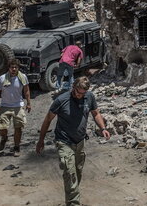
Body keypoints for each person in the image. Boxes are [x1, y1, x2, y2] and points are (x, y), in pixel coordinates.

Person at [37, 76, 110, 206]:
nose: (79, 95)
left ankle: (72, 197)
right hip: (64, 141)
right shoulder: (61, 100)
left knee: (77, 172)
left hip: (80, 142)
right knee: (70, 173)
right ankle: (73, 203)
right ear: (73, 87)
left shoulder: (89, 97)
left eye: (83, 93)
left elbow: (96, 114)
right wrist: (41, 140)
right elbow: (48, 119)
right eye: (77, 92)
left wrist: (103, 128)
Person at [0, 59, 31, 156]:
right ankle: (4, 138)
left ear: (18, 68)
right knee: (2, 128)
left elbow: (26, 91)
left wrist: (29, 103)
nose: (13, 69)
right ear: (8, 68)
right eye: (12, 67)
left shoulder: (23, 78)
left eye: (15, 67)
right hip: (5, 106)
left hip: (18, 106)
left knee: (18, 128)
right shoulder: (2, 78)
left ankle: (16, 147)